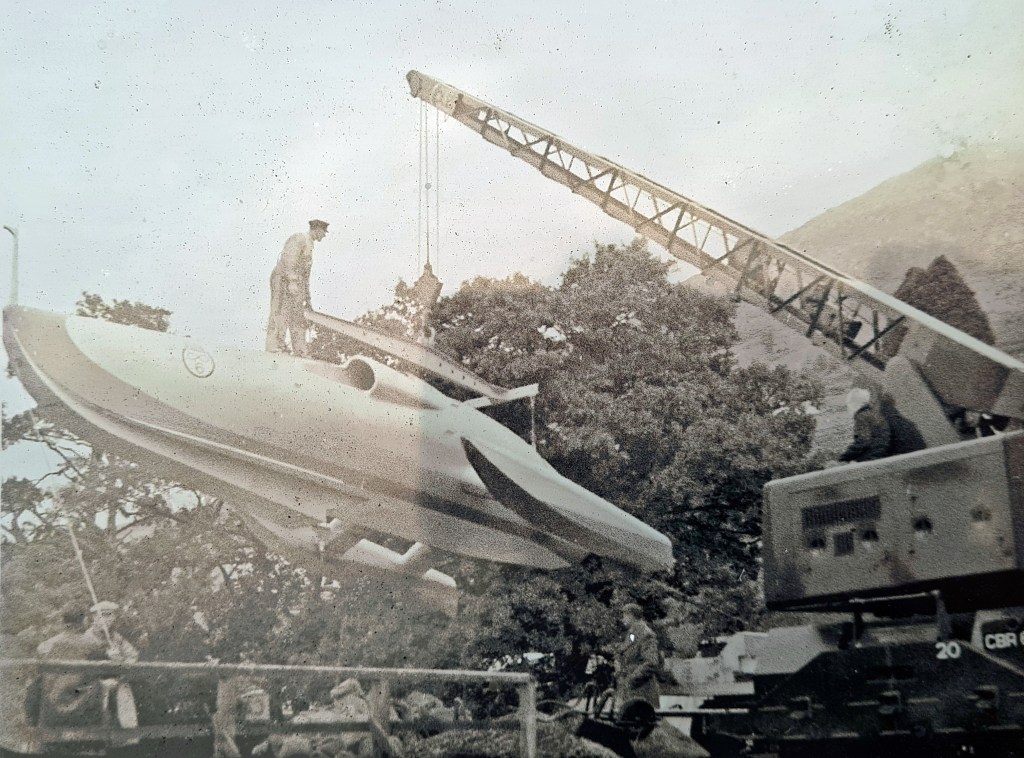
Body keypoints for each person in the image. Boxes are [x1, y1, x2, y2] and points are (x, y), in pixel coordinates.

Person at [266, 219, 329, 357]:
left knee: (298, 315)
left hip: (297, 282)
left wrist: (307, 298)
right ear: (317, 229)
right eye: (324, 232)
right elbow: (289, 258)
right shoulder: (299, 238)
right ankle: (275, 346)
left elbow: (306, 276)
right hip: (283, 279)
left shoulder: (310, 245)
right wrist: (291, 281)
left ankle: (300, 350)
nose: (324, 236)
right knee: (281, 311)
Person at [35, 607, 108, 726]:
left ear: (63, 622)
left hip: (50, 707)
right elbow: (104, 673)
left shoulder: (45, 646)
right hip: (82, 708)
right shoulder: (92, 644)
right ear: (83, 621)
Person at [615, 603, 661, 713]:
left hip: (642, 692)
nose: (623, 619)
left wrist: (630, 680)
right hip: (631, 692)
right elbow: (627, 649)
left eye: (624, 616)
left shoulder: (646, 634)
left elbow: (651, 663)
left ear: (631, 615)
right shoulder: (633, 633)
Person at [838, 388, 892, 463]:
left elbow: (863, 441)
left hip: (872, 458)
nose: (848, 407)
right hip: (882, 454)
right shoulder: (874, 414)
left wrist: (844, 457)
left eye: (849, 403)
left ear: (855, 403)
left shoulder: (861, 417)